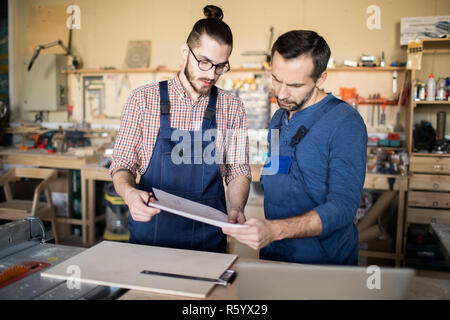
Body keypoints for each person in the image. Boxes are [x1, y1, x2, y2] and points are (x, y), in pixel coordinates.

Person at [110, 5, 251, 253]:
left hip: (208, 240)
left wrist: (237, 207)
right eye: (204, 62)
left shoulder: (232, 106)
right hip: (151, 236)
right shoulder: (143, 99)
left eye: (220, 66)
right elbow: (122, 163)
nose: (212, 74)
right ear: (185, 51)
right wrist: (130, 194)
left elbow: (238, 168)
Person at [223, 30, 367, 265]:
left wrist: (275, 230)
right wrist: (240, 208)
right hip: (275, 258)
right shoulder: (280, 118)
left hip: (323, 266)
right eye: (276, 79)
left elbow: (343, 208)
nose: (281, 93)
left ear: (320, 78)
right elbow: (279, 177)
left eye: (295, 84)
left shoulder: (345, 123)